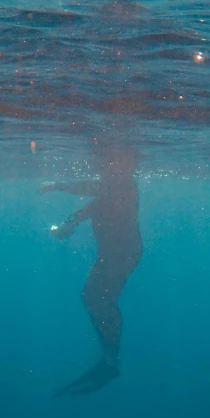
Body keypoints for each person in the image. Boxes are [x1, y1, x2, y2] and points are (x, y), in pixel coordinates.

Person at [39, 145, 143, 396]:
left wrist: (59, 187)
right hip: (115, 252)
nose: (108, 170)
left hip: (122, 252)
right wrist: (70, 221)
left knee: (99, 298)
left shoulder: (124, 185)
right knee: (93, 298)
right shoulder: (114, 185)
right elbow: (97, 202)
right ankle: (108, 359)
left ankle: (110, 361)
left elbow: (97, 196)